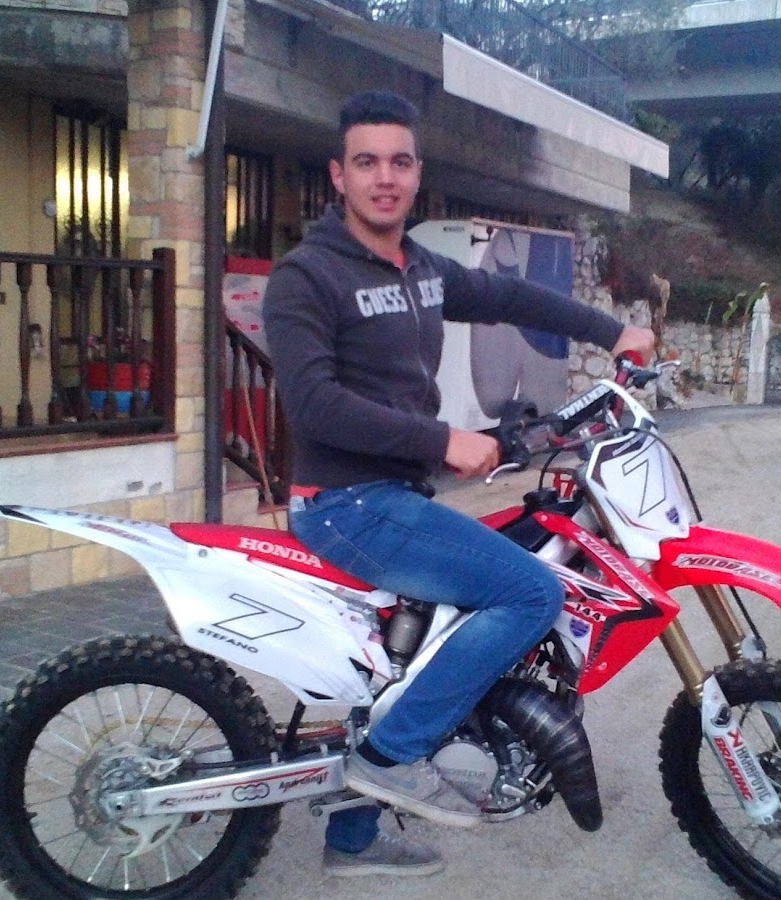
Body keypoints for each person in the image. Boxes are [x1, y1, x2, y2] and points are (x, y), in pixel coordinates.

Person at [262, 90, 655, 878]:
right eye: (366, 162)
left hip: (397, 496)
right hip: (346, 503)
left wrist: (614, 331)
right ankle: (390, 757)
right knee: (530, 592)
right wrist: (444, 440)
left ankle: (354, 838)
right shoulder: (307, 277)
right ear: (339, 175)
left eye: (399, 162)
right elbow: (314, 405)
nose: (384, 178)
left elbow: (508, 296)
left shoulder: (421, 269)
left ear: (417, 173)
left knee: (420, 654)